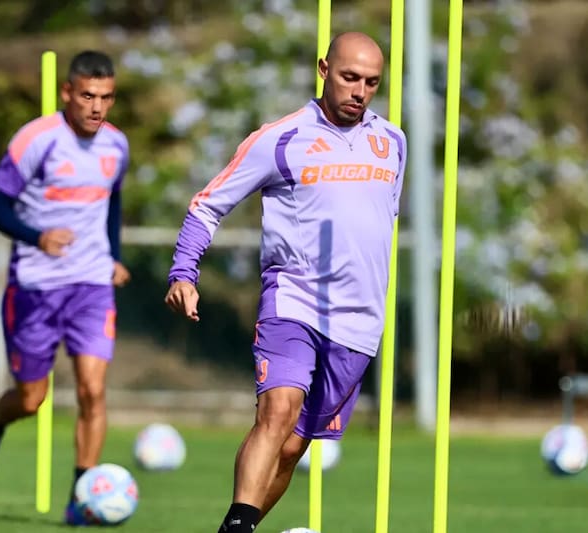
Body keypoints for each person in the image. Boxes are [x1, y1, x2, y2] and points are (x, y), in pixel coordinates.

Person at [165, 32, 407, 533]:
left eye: (371, 82)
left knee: (293, 445)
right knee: (277, 411)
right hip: (294, 300)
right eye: (349, 77)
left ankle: (238, 526)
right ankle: (237, 527)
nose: (360, 91)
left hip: (359, 319)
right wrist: (184, 271)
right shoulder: (281, 138)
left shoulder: (393, 143)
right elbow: (208, 204)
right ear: (323, 69)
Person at [0, 50, 131, 525]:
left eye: (106, 98)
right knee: (32, 399)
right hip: (35, 286)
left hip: (92, 285)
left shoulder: (116, 146)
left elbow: (112, 202)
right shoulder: (36, 140)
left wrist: (114, 256)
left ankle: (82, 499)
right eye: (87, 96)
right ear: (67, 93)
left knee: (92, 391)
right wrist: (37, 237)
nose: (97, 107)